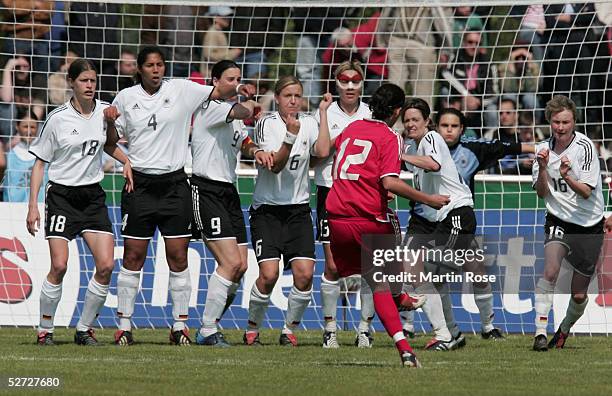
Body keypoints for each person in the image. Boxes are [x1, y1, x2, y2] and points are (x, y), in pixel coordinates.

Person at [104, 46, 250, 346]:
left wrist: (238, 89)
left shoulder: (182, 90)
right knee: (133, 256)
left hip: (175, 185)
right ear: (140, 70)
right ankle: (124, 325)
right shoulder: (125, 99)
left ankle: (180, 325)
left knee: (178, 256)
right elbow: (109, 144)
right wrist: (125, 158)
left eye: (160, 65)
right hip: (139, 186)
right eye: (150, 66)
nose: (156, 70)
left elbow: (218, 90)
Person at [326, 84, 450, 367]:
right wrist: (428, 199)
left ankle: (398, 335)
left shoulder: (352, 128)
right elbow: (390, 182)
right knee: (384, 277)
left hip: (336, 216)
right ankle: (401, 305)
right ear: (396, 111)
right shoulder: (390, 136)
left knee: (356, 277)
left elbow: (347, 165)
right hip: (367, 218)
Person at [26, 58, 132, 346]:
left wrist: (126, 161)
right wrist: (33, 205)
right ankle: (45, 330)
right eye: (84, 80)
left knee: (107, 265)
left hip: (92, 197)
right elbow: (39, 164)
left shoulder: (104, 111)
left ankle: (84, 329)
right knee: (59, 265)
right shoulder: (58, 118)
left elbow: (109, 144)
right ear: (72, 83)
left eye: (93, 81)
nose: (89, 85)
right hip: (61, 196)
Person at [401, 98, 499, 350]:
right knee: (428, 275)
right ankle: (451, 332)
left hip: (458, 213)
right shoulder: (415, 144)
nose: (411, 124)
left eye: (415, 120)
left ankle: (453, 333)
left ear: (427, 122)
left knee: (433, 273)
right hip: (443, 217)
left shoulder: (431, 139)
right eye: (407, 120)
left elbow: (434, 165)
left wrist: (402, 155)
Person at [243, 76, 330, 347]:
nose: (293, 101)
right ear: (278, 98)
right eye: (288, 96)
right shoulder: (268, 124)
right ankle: (252, 329)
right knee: (269, 276)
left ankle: (289, 330)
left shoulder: (309, 122)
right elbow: (275, 165)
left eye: (298, 96)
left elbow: (324, 150)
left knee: (305, 274)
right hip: (267, 211)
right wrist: (290, 137)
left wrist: (323, 114)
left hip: (299, 210)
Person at [190, 60, 272, 347]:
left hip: (228, 191)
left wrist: (257, 150)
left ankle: (211, 325)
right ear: (215, 81)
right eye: (230, 78)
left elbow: (243, 141)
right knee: (230, 262)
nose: (236, 82)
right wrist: (247, 95)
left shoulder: (233, 114)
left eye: (239, 77)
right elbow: (244, 110)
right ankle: (207, 329)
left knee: (241, 266)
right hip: (205, 188)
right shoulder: (209, 107)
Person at [532, 95, 604, 351]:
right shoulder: (542, 149)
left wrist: (566, 176)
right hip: (558, 218)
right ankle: (540, 333)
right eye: (556, 122)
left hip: (589, 224)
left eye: (566, 122)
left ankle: (563, 330)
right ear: (549, 122)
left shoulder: (585, 147)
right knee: (550, 271)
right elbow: (542, 193)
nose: (561, 128)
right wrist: (542, 169)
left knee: (578, 293)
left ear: (574, 121)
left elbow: (585, 191)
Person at [312, 60, 375, 349]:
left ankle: (365, 329)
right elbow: (318, 155)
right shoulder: (324, 113)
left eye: (355, 80)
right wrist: (337, 129)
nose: (350, 86)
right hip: (331, 192)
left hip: (365, 195)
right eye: (344, 80)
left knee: (368, 265)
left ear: (362, 83)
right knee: (334, 266)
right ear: (335, 83)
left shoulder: (371, 114)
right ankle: (330, 329)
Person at [3, 109, 46, 202]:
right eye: (25, 127)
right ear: (17, 126)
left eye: (33, 127)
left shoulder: (44, 155)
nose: (29, 131)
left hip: (40, 209)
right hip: (12, 210)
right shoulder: (8, 155)